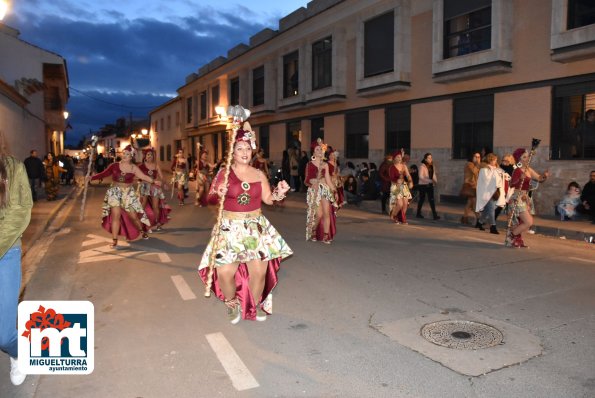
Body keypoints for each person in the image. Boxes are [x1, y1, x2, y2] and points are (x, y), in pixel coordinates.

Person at [198, 126, 292, 324]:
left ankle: (254, 304)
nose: (244, 152)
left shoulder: (259, 174)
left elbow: (268, 199)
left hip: (255, 227)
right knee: (225, 272)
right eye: (240, 148)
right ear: (233, 151)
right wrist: (218, 192)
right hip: (230, 227)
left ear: (253, 151)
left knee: (259, 272)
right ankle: (231, 302)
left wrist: (279, 192)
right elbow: (210, 199)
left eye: (247, 149)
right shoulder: (224, 173)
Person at [0, 130, 32, 386]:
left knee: (3, 333)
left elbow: (20, 212)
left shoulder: (13, 168)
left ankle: (17, 352)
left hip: (5, 251)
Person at [86, 145, 157, 249]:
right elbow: (104, 174)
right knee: (116, 216)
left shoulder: (134, 168)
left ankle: (141, 230)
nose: (124, 155)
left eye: (127, 154)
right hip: (115, 192)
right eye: (124, 153)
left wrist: (154, 181)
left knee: (133, 216)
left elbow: (143, 176)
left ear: (131, 156)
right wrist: (92, 177)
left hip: (128, 193)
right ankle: (114, 240)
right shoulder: (114, 165)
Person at [506, 148, 550, 248]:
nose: (527, 158)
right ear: (519, 159)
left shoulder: (528, 169)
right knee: (528, 222)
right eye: (524, 157)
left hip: (525, 198)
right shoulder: (517, 170)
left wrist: (545, 176)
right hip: (517, 198)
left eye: (527, 156)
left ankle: (516, 240)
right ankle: (512, 235)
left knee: (522, 222)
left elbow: (539, 178)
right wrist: (519, 179)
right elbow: (512, 184)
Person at [305, 139, 336, 244]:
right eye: (317, 149)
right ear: (313, 152)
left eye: (320, 149)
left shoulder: (325, 165)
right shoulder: (310, 164)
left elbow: (328, 179)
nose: (319, 151)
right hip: (314, 190)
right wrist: (311, 181)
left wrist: (334, 190)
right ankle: (313, 230)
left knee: (327, 213)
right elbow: (306, 180)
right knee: (319, 214)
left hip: (325, 189)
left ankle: (326, 236)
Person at [138, 148, 170, 231]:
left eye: (151, 155)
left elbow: (162, 177)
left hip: (155, 187)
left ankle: (157, 222)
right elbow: (138, 176)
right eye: (148, 154)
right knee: (143, 204)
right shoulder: (141, 166)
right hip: (144, 186)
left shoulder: (156, 165)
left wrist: (165, 184)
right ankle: (139, 223)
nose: (150, 156)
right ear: (145, 156)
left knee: (156, 206)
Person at [475, 153, 506, 234]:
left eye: (496, 159)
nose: (496, 161)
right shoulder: (484, 169)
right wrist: (495, 174)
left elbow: (502, 176)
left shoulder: (497, 168)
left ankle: (479, 222)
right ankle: (493, 227)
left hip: (495, 191)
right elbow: (486, 180)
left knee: (487, 210)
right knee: (491, 209)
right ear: (490, 160)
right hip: (487, 192)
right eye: (494, 159)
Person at [389, 151, 413, 224]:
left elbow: (408, 175)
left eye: (400, 157)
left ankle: (402, 218)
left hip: (404, 186)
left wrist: (410, 181)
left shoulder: (403, 166)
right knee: (400, 204)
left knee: (405, 204)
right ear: (394, 158)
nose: (399, 158)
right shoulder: (392, 167)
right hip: (395, 187)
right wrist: (397, 181)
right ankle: (394, 216)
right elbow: (391, 178)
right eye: (398, 157)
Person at [416, 153, 440, 220]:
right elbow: (420, 177)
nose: (430, 159)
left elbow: (433, 175)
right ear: (425, 159)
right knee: (421, 199)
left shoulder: (432, 166)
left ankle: (435, 215)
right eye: (429, 158)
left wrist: (435, 181)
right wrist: (429, 181)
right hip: (422, 185)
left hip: (430, 185)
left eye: (431, 157)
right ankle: (418, 213)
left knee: (431, 200)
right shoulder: (422, 166)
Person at [460, 152, 481, 227]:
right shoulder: (469, 164)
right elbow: (475, 172)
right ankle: (479, 220)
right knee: (474, 204)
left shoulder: (477, 165)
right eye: (476, 156)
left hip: (475, 186)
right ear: (472, 157)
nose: (477, 158)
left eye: (479, 157)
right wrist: (478, 164)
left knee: (469, 204)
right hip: (470, 186)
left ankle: (464, 218)